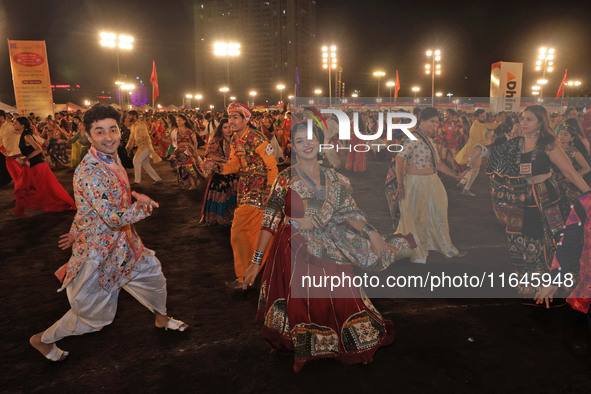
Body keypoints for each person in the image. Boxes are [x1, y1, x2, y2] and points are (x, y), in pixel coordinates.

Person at [241, 122, 415, 372]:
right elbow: (270, 221)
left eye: (311, 138)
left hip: (332, 246)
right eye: (299, 140)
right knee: (302, 304)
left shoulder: (337, 179)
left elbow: (349, 213)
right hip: (294, 248)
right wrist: (256, 262)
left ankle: (345, 344)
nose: (307, 144)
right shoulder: (284, 179)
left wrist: (373, 233)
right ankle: (308, 348)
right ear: (293, 146)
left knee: (341, 299)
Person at [29, 105, 187, 362]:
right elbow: (113, 217)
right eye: (100, 132)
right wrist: (142, 208)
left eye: (113, 129)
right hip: (99, 255)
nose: (109, 137)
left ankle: (162, 319)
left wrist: (75, 230)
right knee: (94, 318)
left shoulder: (110, 158)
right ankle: (42, 339)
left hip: (125, 245)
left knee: (154, 278)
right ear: (89, 136)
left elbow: (86, 207)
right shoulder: (91, 171)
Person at [487, 105, 590, 298]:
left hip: (543, 200)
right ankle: (527, 281)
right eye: (522, 119)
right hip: (516, 201)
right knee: (518, 240)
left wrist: (588, 196)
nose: (523, 123)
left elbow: (571, 173)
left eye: (529, 119)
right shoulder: (515, 144)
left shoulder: (548, 145)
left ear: (540, 122)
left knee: (545, 240)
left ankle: (548, 282)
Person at [202, 102, 278, 289]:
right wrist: (216, 166)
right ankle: (252, 275)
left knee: (239, 232)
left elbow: (272, 166)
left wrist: (270, 193)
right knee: (250, 234)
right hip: (244, 190)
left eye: (236, 118)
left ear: (246, 119)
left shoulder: (257, 138)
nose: (231, 122)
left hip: (259, 192)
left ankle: (245, 276)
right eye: (229, 118)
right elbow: (234, 165)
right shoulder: (236, 140)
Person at [394, 107, 467, 264]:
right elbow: (399, 160)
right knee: (414, 217)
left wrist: (455, 175)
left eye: (437, 122)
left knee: (437, 214)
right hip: (415, 183)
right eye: (432, 122)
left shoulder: (430, 140)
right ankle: (416, 250)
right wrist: (400, 184)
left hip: (433, 182)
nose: (435, 125)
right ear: (422, 121)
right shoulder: (413, 137)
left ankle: (443, 246)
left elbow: (438, 164)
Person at [11, 117, 75, 217]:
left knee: (46, 188)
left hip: (38, 165)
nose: (14, 125)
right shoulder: (22, 135)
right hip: (31, 165)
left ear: (22, 125)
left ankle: (63, 203)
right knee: (25, 186)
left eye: (15, 123)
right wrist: (19, 156)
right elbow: (29, 149)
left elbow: (38, 149)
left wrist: (26, 158)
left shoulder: (27, 136)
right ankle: (26, 206)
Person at [200, 118, 238, 225]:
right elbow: (209, 153)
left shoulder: (237, 139)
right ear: (221, 129)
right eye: (225, 127)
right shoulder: (216, 140)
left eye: (230, 126)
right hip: (221, 173)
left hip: (235, 172)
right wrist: (222, 159)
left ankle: (234, 217)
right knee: (223, 196)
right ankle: (222, 217)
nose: (228, 129)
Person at [455, 109, 499, 197]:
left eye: (485, 116)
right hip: (472, 152)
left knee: (473, 169)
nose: (484, 118)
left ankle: (461, 183)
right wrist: (491, 140)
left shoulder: (480, 124)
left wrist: (498, 122)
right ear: (476, 117)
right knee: (475, 170)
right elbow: (479, 142)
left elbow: (490, 126)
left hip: (475, 151)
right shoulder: (476, 127)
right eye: (482, 116)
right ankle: (466, 189)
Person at [555, 125, 590, 204]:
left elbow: (587, 168)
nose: (562, 136)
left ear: (572, 138)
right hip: (555, 182)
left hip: (569, 184)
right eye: (561, 133)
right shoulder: (554, 149)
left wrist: (573, 177)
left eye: (565, 135)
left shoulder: (574, 152)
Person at [126, 110, 162, 184]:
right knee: (145, 164)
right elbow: (131, 137)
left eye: (130, 116)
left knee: (136, 161)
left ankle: (137, 181)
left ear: (134, 116)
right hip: (141, 147)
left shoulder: (141, 124)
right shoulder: (133, 126)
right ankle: (158, 179)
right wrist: (128, 146)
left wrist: (135, 145)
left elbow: (145, 137)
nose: (128, 117)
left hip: (145, 146)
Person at [0, 110, 23, 187]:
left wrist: (42, 141)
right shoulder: (0, 129)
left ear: (2, 117)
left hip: (17, 155)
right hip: (8, 155)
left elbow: (24, 133)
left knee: (21, 176)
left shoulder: (11, 126)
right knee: (16, 177)